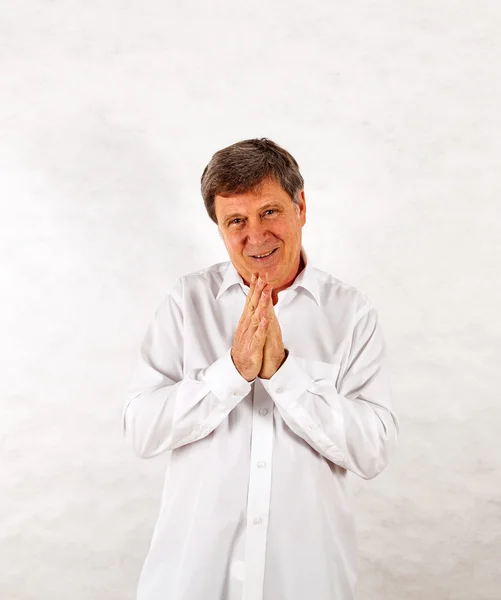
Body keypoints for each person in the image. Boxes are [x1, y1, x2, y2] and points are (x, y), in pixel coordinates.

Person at [123, 137, 399, 600]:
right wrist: (232, 372)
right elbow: (141, 430)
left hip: (307, 583)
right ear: (220, 228)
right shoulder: (186, 303)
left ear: (301, 206)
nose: (255, 235)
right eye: (236, 221)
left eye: (269, 211)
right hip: (192, 581)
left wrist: (284, 376)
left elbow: (374, 450)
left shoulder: (351, 313)